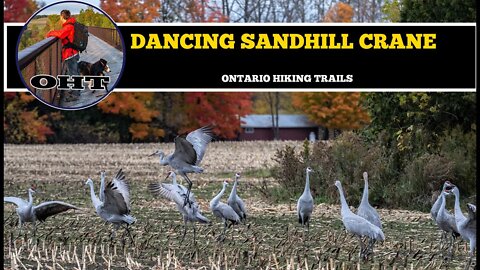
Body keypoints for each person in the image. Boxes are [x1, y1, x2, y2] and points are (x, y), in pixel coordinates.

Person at [46, 9, 80, 101]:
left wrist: (50, 33)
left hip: (70, 53)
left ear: (62, 16)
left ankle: (75, 95)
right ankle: (74, 91)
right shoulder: (71, 24)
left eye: (60, 16)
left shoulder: (69, 26)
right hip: (74, 52)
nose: (60, 18)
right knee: (74, 73)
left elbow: (61, 34)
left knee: (73, 74)